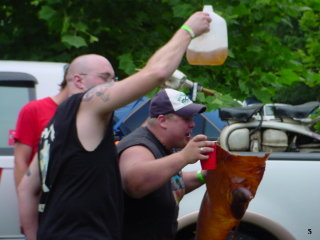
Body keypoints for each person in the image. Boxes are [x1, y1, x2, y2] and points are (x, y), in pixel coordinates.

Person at [17, 11, 212, 240]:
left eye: (114, 78)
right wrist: (188, 30)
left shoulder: (55, 124)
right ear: (78, 80)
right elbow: (157, 73)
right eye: (105, 77)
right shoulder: (87, 103)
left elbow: (26, 190)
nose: (112, 84)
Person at [117, 88, 215, 240]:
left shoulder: (166, 147)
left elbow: (170, 185)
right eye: (187, 119)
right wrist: (184, 157)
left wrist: (204, 176)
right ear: (162, 120)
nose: (192, 125)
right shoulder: (138, 146)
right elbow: (135, 184)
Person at [13, 67, 69, 188]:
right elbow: (20, 161)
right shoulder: (35, 109)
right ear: (77, 79)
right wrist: (26, 199)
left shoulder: (87, 113)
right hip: (43, 195)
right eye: (104, 77)